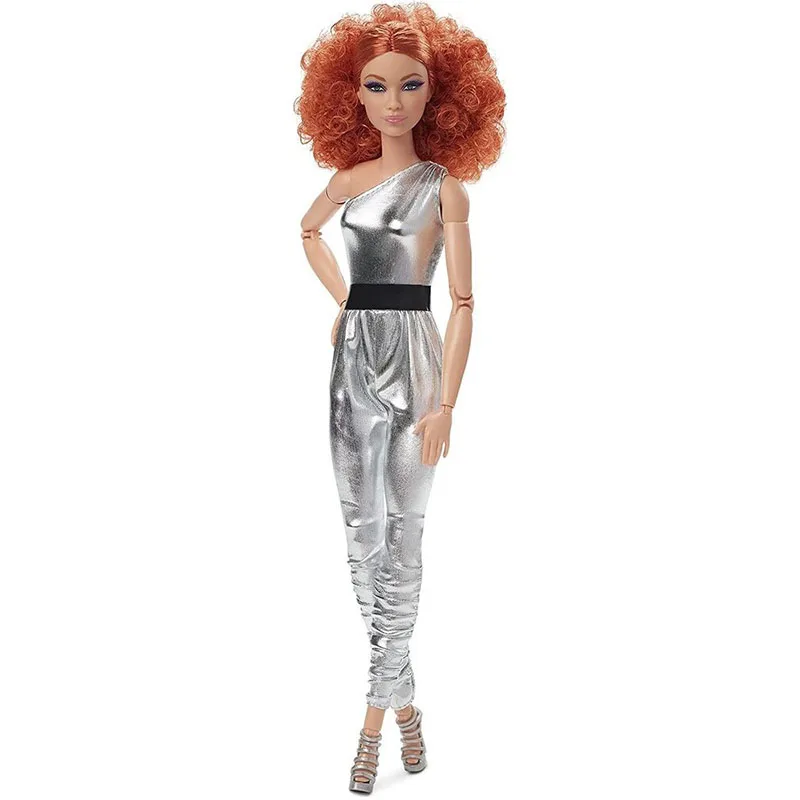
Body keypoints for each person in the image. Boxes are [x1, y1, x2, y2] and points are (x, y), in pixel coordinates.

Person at [296, 3, 505, 792]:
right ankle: (407, 703)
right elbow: (307, 232)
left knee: (404, 540)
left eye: (411, 84)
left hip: (417, 360)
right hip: (353, 361)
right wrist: (344, 301)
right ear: (349, 93)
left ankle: (371, 725)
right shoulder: (347, 182)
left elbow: (465, 302)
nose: (393, 101)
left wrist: (446, 403)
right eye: (376, 85)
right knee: (361, 538)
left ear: (439, 94)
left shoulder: (444, 190)